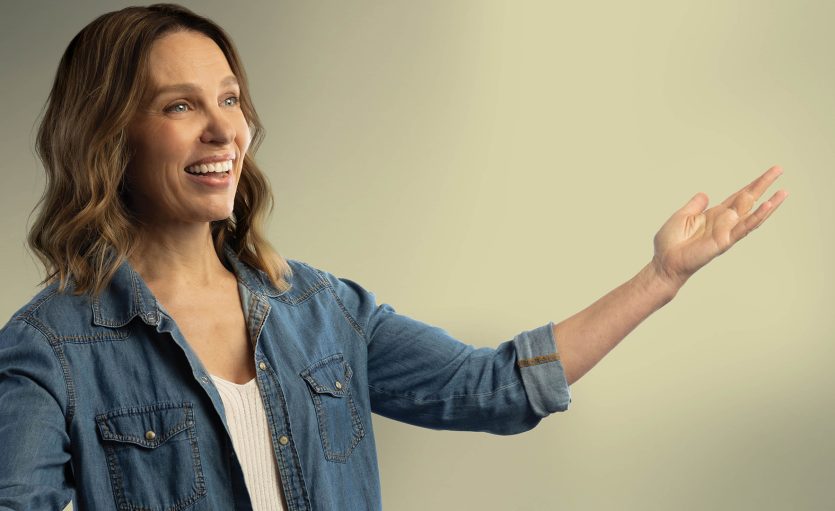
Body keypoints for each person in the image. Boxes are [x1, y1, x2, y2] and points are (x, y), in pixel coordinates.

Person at [0, 4, 788, 511]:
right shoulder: (51, 348)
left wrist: (661, 277)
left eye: (231, 99)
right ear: (108, 136)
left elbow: (495, 387)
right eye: (181, 106)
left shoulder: (321, 308)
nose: (225, 131)